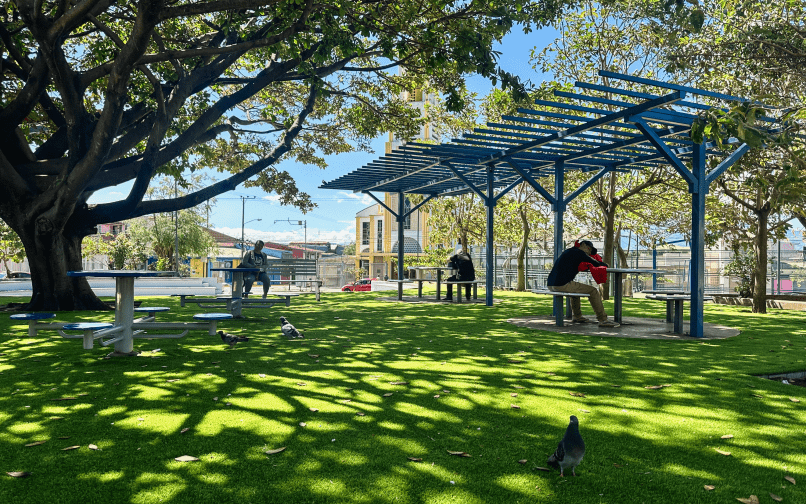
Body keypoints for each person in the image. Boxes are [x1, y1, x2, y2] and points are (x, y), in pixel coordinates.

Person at [547, 240, 619, 327]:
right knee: (593, 290)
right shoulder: (579, 252)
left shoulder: (569, 251)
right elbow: (596, 263)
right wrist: (605, 264)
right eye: (589, 249)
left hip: (551, 284)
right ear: (583, 245)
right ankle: (603, 319)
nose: (589, 252)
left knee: (575, 292)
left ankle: (577, 316)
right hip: (562, 284)